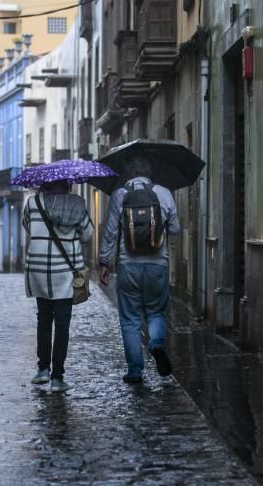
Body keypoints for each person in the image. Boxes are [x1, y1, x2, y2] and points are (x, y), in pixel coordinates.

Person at [98, 158, 180, 384]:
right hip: (157, 265)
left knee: (130, 319)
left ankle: (135, 371)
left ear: (128, 174)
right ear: (149, 173)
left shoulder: (119, 195)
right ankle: (156, 344)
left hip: (128, 266)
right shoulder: (164, 193)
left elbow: (111, 232)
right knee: (155, 312)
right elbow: (175, 229)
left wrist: (104, 263)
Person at [23, 179, 94, 392]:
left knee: (44, 319)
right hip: (66, 272)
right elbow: (88, 235)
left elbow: (28, 227)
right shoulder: (78, 204)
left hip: (40, 270)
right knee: (63, 324)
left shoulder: (32, 203)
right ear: (68, 185)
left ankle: (42, 369)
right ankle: (57, 378)